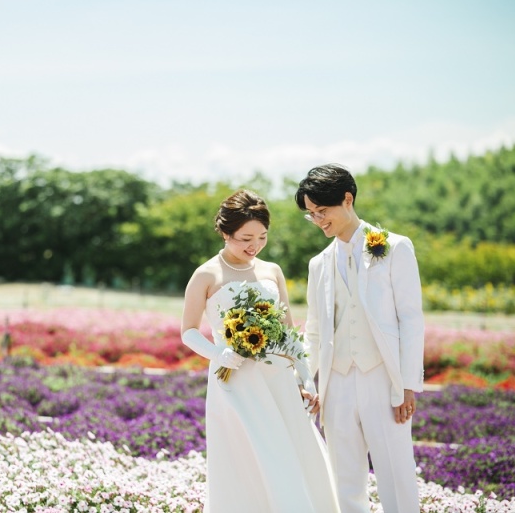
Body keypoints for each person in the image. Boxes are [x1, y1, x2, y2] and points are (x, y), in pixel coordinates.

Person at [181, 189, 340, 513]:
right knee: (249, 455)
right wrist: (218, 354)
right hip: (235, 381)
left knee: (289, 450)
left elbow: (288, 331)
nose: (254, 245)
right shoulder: (207, 274)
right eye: (245, 238)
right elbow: (188, 330)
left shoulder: (272, 271)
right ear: (226, 232)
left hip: (277, 378)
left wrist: (305, 378)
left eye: (262, 237)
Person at [294, 164, 424, 513]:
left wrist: (406, 385)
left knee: (395, 472)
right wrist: (310, 382)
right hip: (335, 383)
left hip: (384, 378)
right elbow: (315, 328)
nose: (318, 220)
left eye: (322, 211)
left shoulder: (395, 248)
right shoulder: (318, 264)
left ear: (347, 199)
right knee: (344, 478)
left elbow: (411, 319)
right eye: (311, 215)